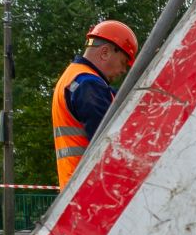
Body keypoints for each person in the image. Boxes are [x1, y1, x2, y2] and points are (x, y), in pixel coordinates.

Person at [51, 20, 138, 187]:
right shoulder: (88, 85)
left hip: (77, 186)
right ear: (105, 52)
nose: (123, 71)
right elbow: (109, 144)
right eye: (123, 62)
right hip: (92, 187)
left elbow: (118, 97)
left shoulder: (75, 78)